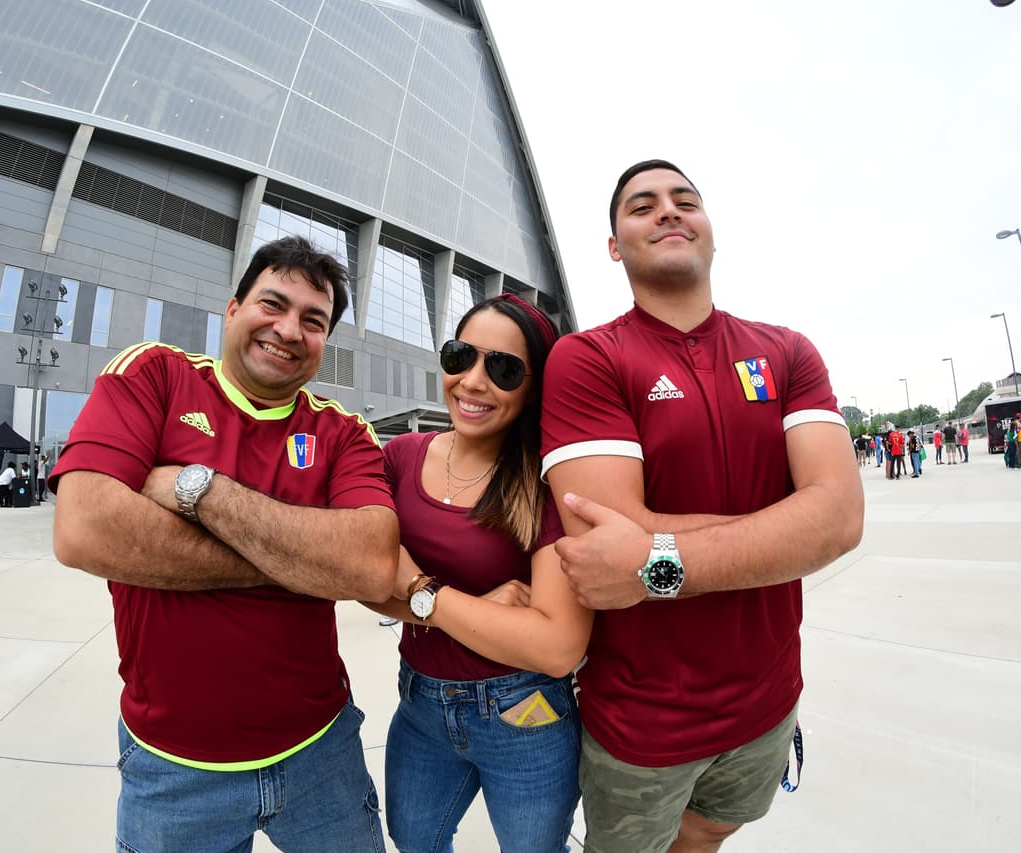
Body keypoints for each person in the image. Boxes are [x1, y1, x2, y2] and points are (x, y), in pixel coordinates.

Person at [540, 160, 863, 853]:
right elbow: (604, 541)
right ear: (613, 244)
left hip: (769, 702)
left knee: (712, 831)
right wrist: (790, 522)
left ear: (710, 232)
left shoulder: (788, 351)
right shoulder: (587, 357)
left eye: (686, 200)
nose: (668, 211)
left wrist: (655, 560)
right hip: (644, 725)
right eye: (642, 205)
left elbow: (839, 519)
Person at [50, 236, 399, 853]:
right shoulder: (155, 375)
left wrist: (198, 492)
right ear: (233, 309)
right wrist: (299, 562)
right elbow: (84, 528)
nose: (289, 329)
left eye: (312, 321)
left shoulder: (344, 433)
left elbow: (369, 568)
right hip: (171, 769)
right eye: (273, 304)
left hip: (320, 753)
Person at [366, 294, 590, 853]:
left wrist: (420, 595)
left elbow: (558, 646)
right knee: (413, 840)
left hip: (524, 713)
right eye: (461, 355)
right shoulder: (400, 459)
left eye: (504, 368)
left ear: (535, 386)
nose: (472, 381)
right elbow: (364, 580)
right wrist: (479, 609)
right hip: (419, 705)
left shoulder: (544, 485)